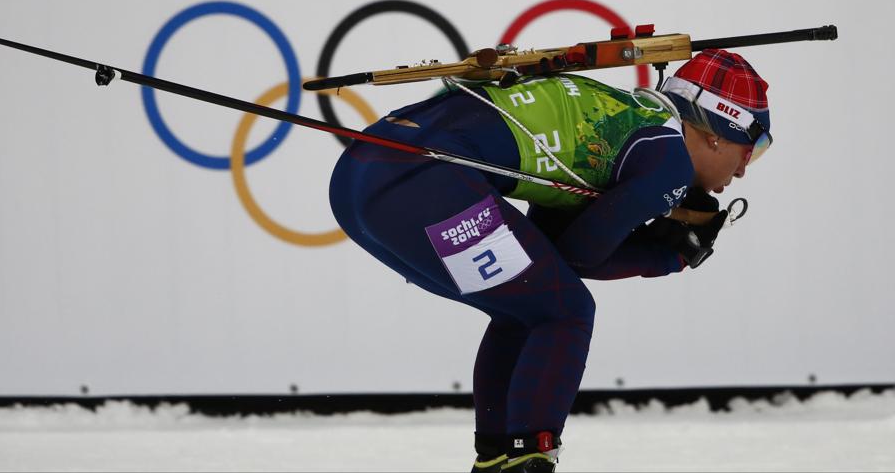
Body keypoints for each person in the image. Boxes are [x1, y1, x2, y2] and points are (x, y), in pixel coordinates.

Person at [328, 49, 772, 472]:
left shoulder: (632, 119)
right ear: (716, 133)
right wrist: (668, 255)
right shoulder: (668, 160)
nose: (743, 171)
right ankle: (526, 460)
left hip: (357, 179)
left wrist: (657, 246)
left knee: (525, 310)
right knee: (566, 314)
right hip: (418, 180)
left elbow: (558, 256)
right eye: (752, 149)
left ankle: (498, 458)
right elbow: (581, 257)